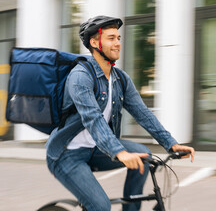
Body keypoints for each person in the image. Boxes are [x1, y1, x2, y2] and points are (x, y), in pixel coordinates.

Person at [45, 15, 195, 211]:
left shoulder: (120, 79)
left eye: (118, 38)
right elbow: (93, 119)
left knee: (144, 155)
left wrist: (171, 144)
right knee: (100, 206)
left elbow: (143, 113)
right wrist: (119, 152)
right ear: (94, 42)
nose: (117, 43)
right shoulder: (80, 76)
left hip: (97, 149)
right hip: (67, 154)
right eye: (111, 38)